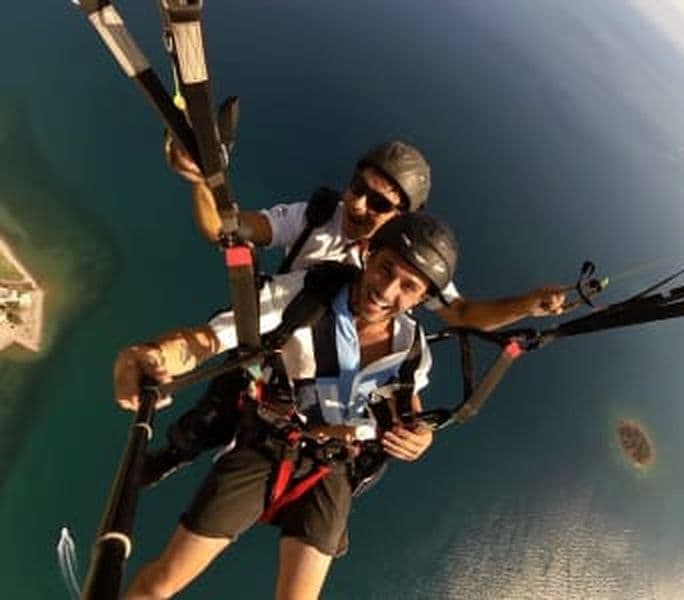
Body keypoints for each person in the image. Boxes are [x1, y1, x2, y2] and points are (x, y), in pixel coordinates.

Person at [141, 140, 570, 485]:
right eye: (357, 188)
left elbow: (461, 313)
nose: (357, 205)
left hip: (324, 381)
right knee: (208, 422)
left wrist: (529, 303)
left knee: (310, 455)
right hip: (273, 348)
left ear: (404, 219)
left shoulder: (408, 268)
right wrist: (199, 179)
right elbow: (227, 229)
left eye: (379, 204)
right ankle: (174, 456)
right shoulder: (315, 219)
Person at [115, 212, 456, 599]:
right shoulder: (303, 296)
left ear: (422, 298)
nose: (386, 289)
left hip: (333, 463)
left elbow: (405, 395)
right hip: (268, 443)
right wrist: (152, 355)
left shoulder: (411, 346)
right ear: (369, 253)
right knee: (162, 583)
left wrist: (420, 435)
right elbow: (209, 338)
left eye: (408, 286)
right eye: (385, 268)